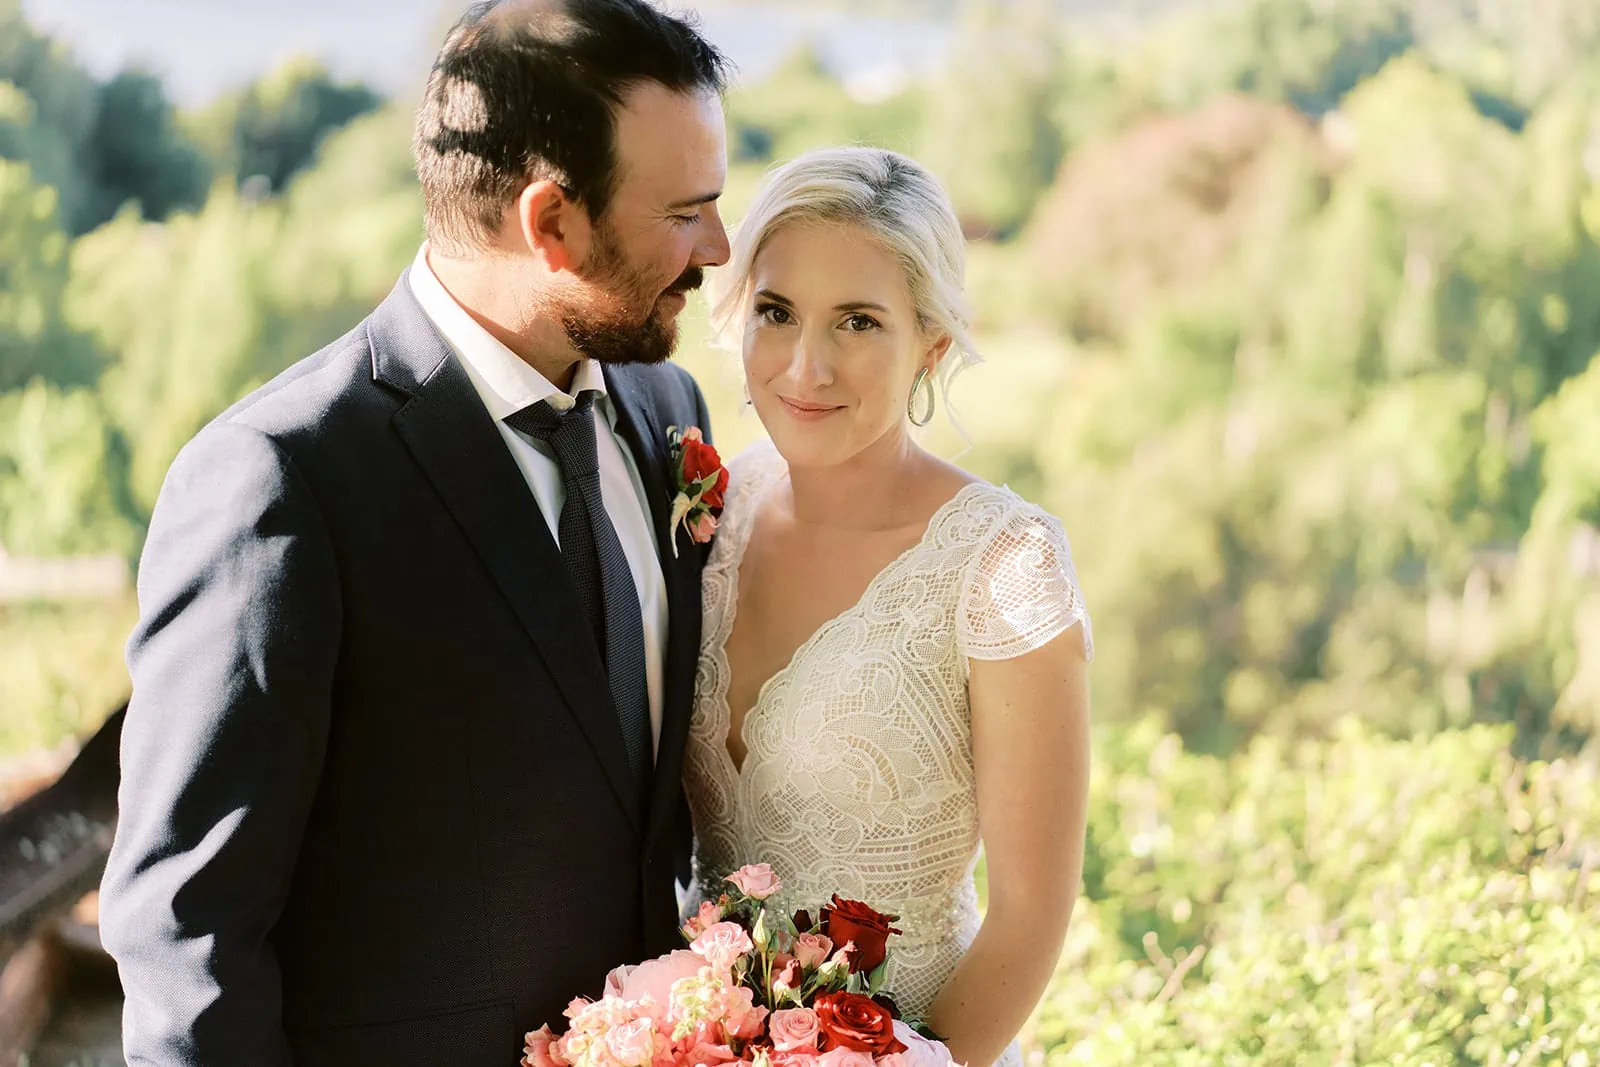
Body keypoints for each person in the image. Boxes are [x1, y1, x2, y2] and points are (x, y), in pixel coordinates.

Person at [98, 2, 731, 1064]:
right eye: (685, 211)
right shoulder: (280, 481)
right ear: (551, 224)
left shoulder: (669, 408)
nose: (717, 245)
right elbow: (188, 935)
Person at [684, 147, 1093, 1067]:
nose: (805, 364)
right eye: (776, 312)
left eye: (858, 322)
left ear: (932, 346)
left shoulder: (1001, 563)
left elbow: (1032, 917)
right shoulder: (709, 514)